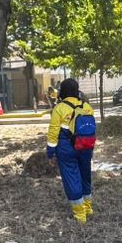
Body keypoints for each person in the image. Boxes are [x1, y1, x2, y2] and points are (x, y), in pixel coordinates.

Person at [45, 77, 95, 223]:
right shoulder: (87, 106)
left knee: (72, 178)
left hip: (66, 148)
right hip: (86, 147)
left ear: (63, 91)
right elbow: (90, 129)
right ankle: (88, 207)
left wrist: (50, 152)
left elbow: (53, 131)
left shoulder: (59, 108)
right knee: (85, 176)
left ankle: (80, 215)